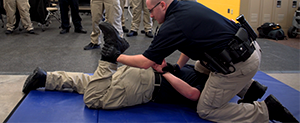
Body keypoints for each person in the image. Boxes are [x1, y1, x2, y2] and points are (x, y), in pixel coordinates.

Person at [103, 0, 299, 123]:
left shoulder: (172, 25)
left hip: (239, 64)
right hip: (248, 49)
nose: (151, 16)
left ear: (162, 5)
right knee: (199, 66)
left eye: (151, 11)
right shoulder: (187, 6)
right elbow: (188, 46)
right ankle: (249, 89)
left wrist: (116, 56)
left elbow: (146, 62)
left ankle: (265, 110)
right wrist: (177, 68)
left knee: (207, 110)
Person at [22, 22, 268, 111]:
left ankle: (45, 78)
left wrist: (169, 67)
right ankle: (109, 56)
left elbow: (186, 59)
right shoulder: (212, 88)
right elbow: (193, 95)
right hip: (147, 84)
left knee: (92, 85)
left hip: (142, 73)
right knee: (94, 98)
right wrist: (166, 71)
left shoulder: (207, 68)